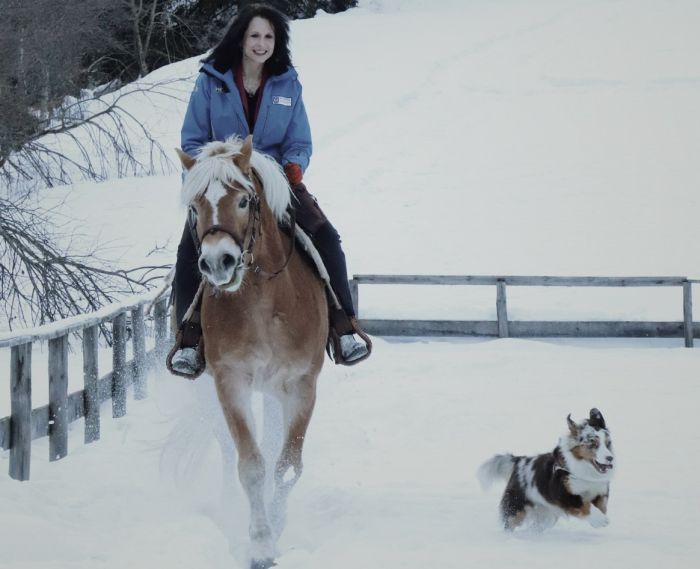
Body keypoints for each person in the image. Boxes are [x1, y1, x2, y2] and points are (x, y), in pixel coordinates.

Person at [170, 3, 370, 375]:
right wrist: (200, 183)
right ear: (241, 39)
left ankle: (344, 328)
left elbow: (300, 139)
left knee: (326, 237)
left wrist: (295, 164)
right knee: (188, 251)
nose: (261, 44)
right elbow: (193, 138)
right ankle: (189, 340)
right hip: (223, 185)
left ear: (276, 43)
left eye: (268, 37)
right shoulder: (211, 80)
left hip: (276, 181)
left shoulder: (287, 83)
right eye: (254, 36)